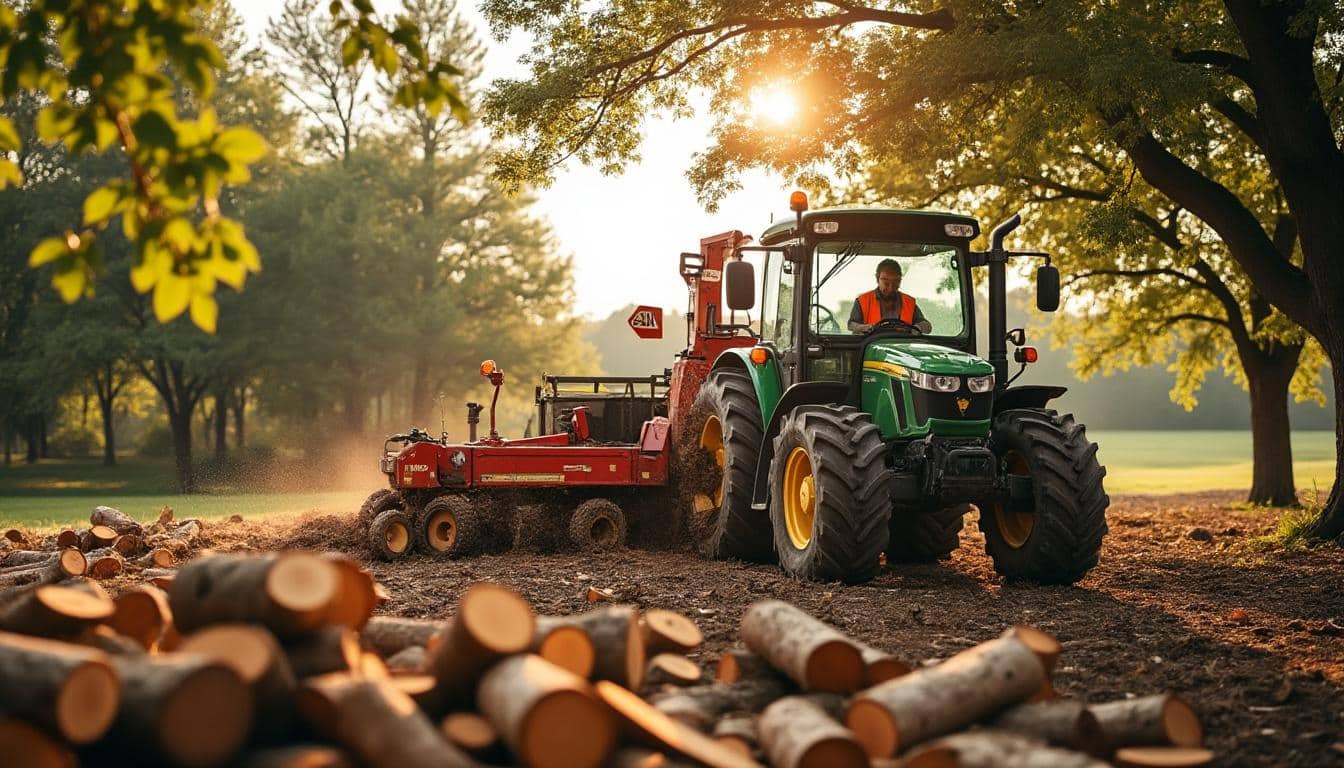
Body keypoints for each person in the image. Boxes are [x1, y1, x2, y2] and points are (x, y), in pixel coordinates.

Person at [848, 258, 932, 334]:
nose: (891, 288)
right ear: (877, 279)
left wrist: (916, 328)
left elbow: (927, 326)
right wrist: (864, 328)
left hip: (902, 347)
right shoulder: (863, 301)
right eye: (886, 283)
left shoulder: (909, 302)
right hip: (871, 345)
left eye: (896, 283)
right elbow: (851, 325)